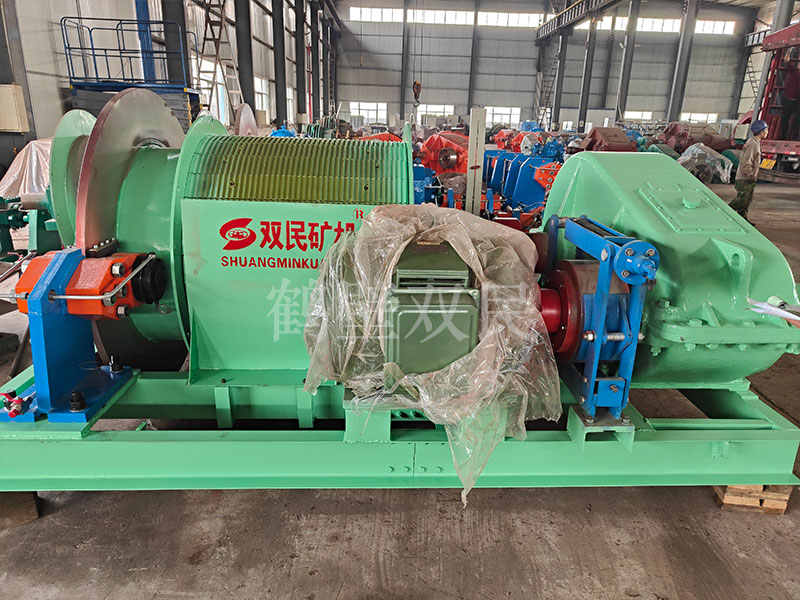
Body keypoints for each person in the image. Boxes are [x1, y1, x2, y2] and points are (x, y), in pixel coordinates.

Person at [730, 120, 768, 221]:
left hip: (749, 177)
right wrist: (750, 174)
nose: (767, 132)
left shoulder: (755, 143)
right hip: (744, 178)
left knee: (747, 200)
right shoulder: (752, 144)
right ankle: (725, 212)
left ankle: (743, 220)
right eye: (766, 130)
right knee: (741, 200)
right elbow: (746, 162)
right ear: (761, 132)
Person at [780, 53, 800, 140]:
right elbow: (787, 61)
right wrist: (788, 52)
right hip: (788, 100)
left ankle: (794, 136)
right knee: (785, 119)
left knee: (797, 120)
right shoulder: (793, 71)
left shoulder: (794, 72)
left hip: (797, 101)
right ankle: (783, 136)